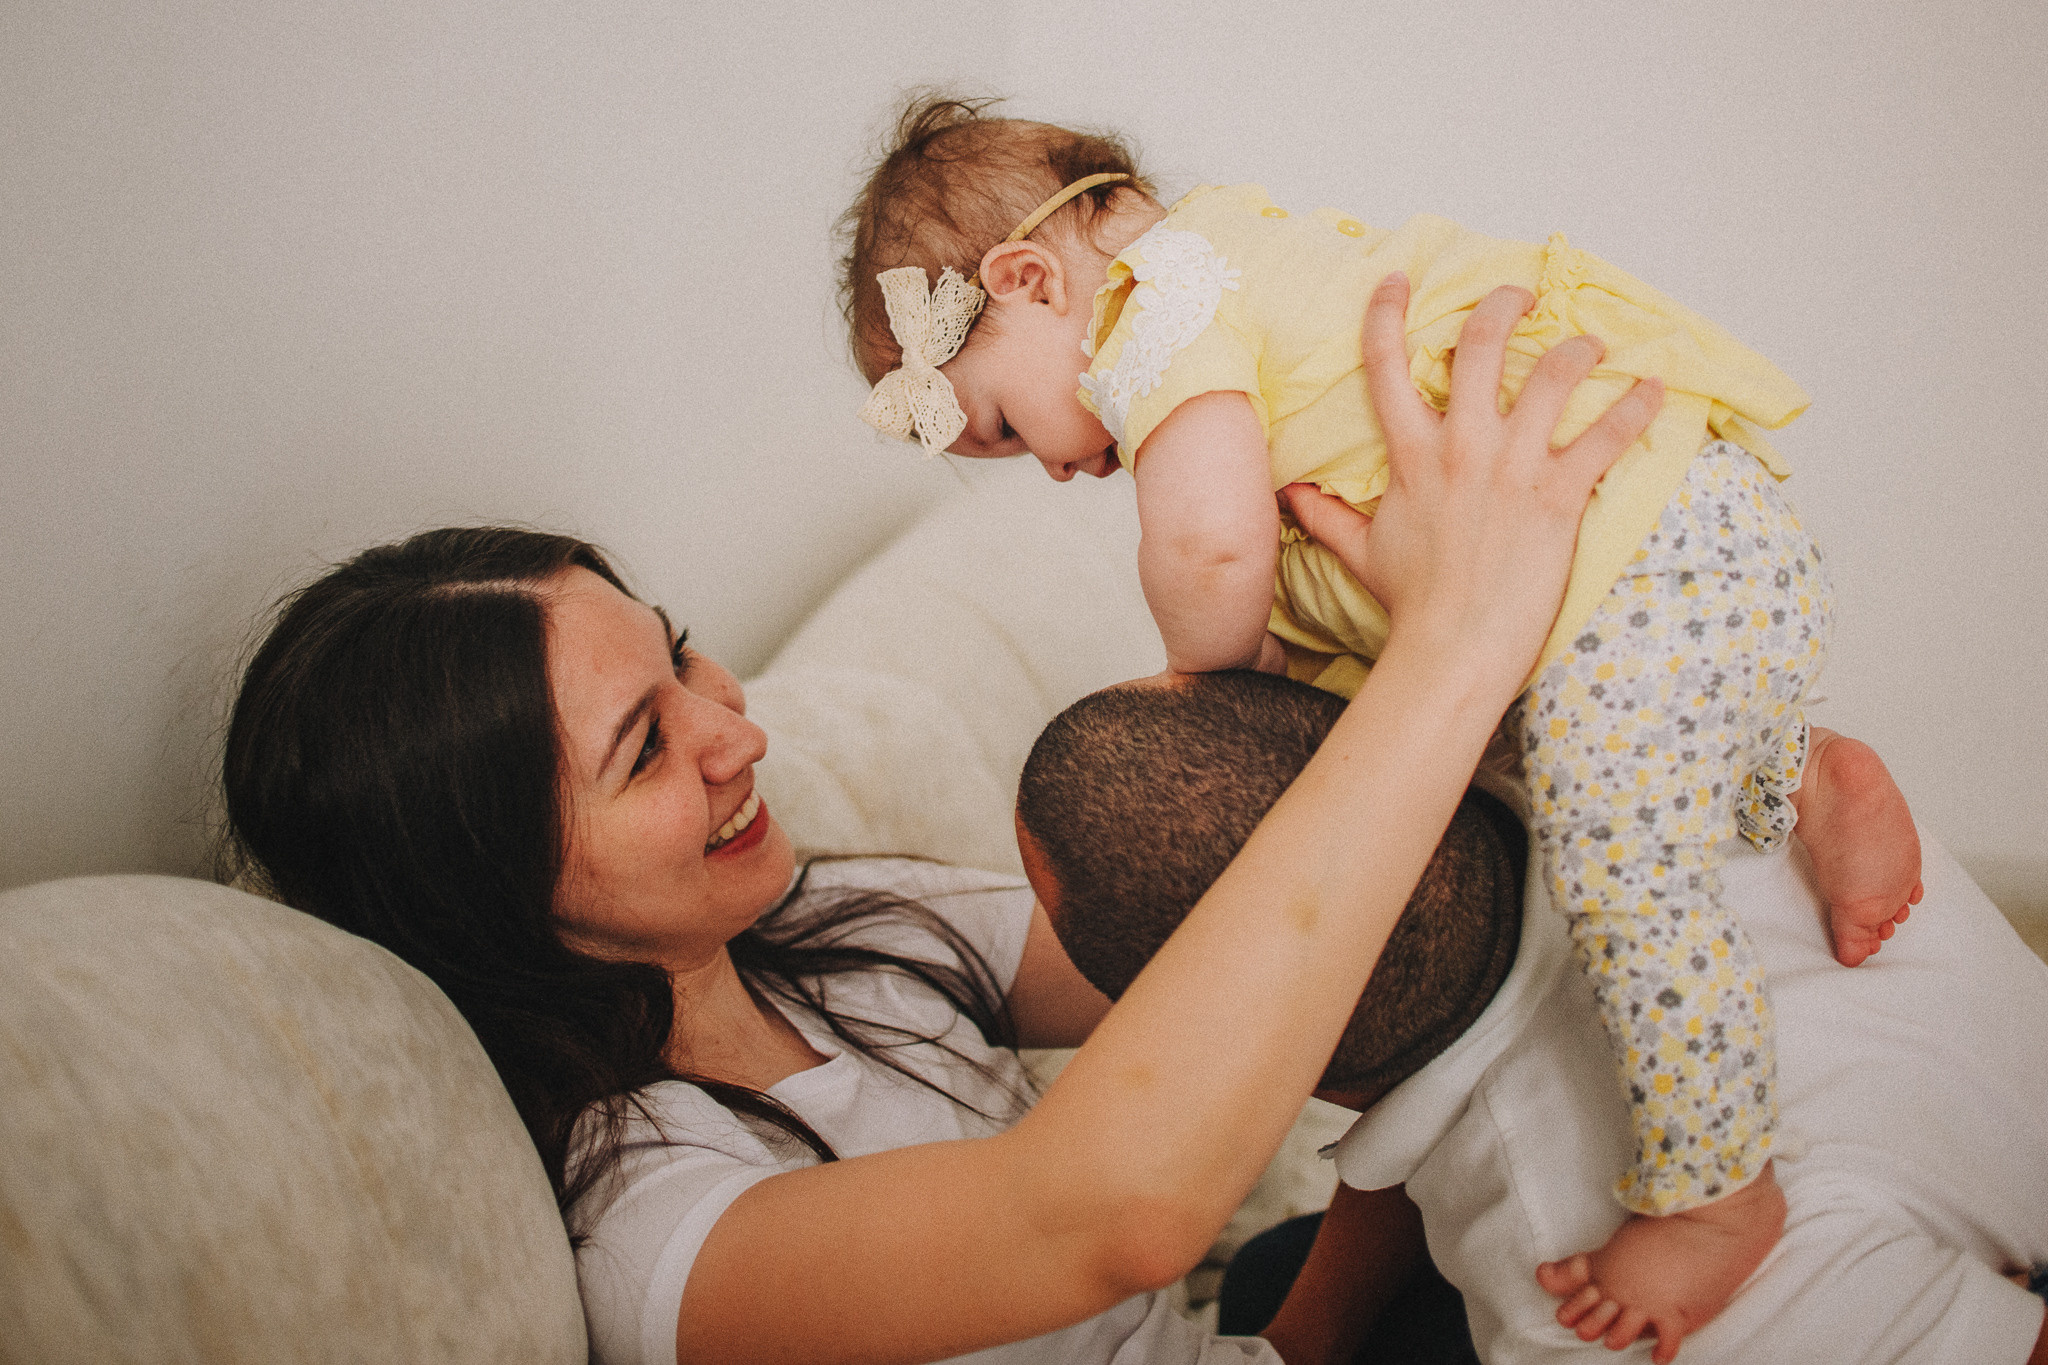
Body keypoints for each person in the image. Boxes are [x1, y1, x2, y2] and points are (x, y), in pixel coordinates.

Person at [218, 277, 1660, 1362]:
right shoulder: (651, 1223)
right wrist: (1453, 649)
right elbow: (1106, 1212)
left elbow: (1251, 956)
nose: (739, 732)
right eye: (647, 748)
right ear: (492, 886)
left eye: (682, 656)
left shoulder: (835, 930)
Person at [839, 95, 1923, 1352]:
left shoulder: (1154, 322)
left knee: (1620, 868)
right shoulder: (1233, 249)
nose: (1053, 468)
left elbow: (1208, 542)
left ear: (1026, 279)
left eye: (1005, 426)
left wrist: (1219, 663)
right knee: (1509, 751)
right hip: (1677, 544)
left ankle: (1714, 1183)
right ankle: (1798, 769)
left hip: (1634, 550)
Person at [1017, 666, 2048, 1365]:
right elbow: (1431, 1089)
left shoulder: (1591, 1278)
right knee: (1278, 1283)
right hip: (1972, 1111)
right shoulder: (1620, 779)